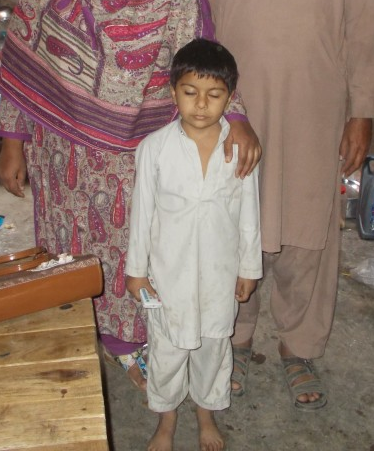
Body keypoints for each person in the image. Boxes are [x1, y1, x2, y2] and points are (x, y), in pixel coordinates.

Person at [0, 0, 262, 392]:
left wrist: (234, 115)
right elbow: (22, 53)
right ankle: (82, 332)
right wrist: (12, 139)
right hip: (62, 144)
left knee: (139, 247)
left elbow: (197, 52)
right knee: (72, 247)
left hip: (141, 147)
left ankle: (145, 343)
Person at [200, 0, 374, 411]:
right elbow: (205, 20)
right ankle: (236, 338)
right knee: (235, 225)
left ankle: (300, 347)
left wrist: (361, 112)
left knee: (308, 229)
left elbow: (364, 25)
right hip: (237, 112)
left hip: (316, 106)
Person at [126, 39, 262, 451]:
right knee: (166, 352)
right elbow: (142, 212)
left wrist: (249, 269)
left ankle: (206, 415)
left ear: (230, 98)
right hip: (167, 277)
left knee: (212, 348)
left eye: (214, 95)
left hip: (220, 274)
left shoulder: (240, 150)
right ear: (173, 93)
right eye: (190, 93)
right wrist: (135, 272)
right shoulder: (154, 149)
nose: (201, 104)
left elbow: (249, 213)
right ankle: (166, 423)